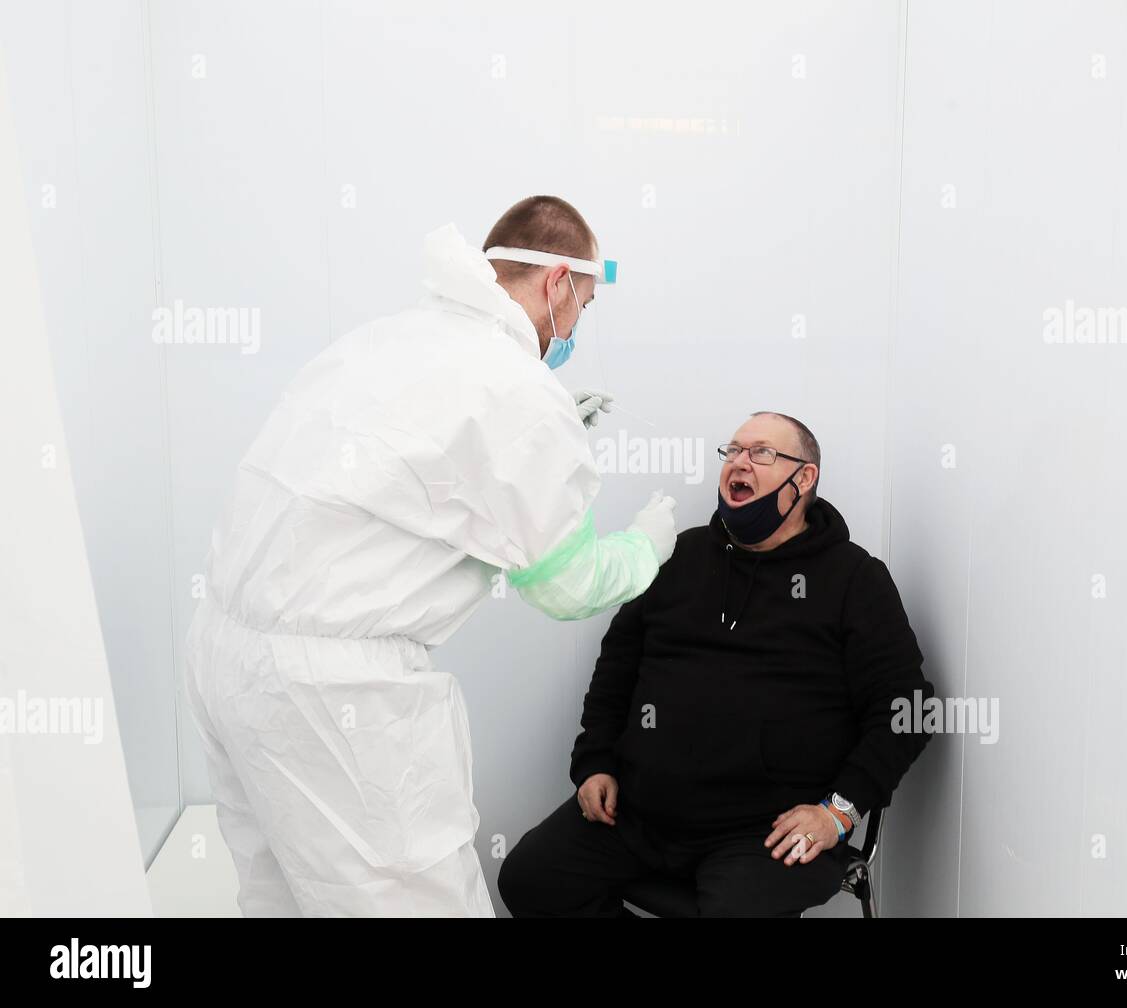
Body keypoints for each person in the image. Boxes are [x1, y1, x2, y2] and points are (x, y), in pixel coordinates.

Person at [184, 195, 677, 917]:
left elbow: (397, 471)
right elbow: (567, 586)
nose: (574, 328)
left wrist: (541, 438)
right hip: (333, 694)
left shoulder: (385, 338)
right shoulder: (518, 390)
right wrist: (645, 547)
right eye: (584, 304)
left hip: (225, 657)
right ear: (557, 283)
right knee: (415, 901)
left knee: (282, 895)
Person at [499, 412, 934, 917]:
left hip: (763, 833)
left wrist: (838, 812)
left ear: (805, 477)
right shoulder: (678, 556)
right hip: (643, 814)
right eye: (732, 451)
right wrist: (595, 760)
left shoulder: (855, 580)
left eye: (762, 453)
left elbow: (908, 709)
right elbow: (616, 667)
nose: (739, 463)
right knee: (531, 879)